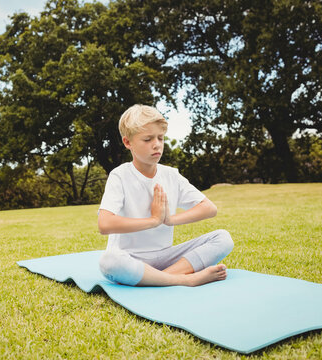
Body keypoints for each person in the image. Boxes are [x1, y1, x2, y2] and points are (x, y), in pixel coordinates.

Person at [98, 104, 233, 287]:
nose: (157, 144)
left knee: (223, 238)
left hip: (165, 257)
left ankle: (160, 278)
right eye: (147, 139)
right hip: (130, 258)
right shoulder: (119, 176)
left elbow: (209, 208)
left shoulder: (171, 175)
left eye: (160, 138)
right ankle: (186, 279)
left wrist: (169, 219)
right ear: (127, 142)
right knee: (109, 261)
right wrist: (153, 220)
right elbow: (104, 224)